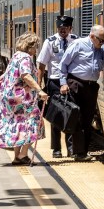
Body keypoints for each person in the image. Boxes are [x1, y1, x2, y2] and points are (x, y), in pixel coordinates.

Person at [58, 24, 104, 161]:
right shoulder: (78, 44)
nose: (103, 43)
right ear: (92, 36)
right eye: (101, 40)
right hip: (75, 84)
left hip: (91, 87)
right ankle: (76, 152)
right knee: (76, 117)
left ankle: (83, 151)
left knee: (87, 119)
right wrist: (63, 83)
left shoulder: (102, 49)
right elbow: (63, 65)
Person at [0, 32, 49, 166]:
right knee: (34, 121)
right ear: (30, 47)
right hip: (21, 98)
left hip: (9, 97)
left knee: (19, 123)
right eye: (35, 47)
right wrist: (39, 90)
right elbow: (25, 75)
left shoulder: (16, 56)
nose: (36, 50)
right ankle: (23, 155)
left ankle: (17, 157)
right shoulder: (25, 58)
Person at [37, 15, 78, 158]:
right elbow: (42, 65)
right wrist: (39, 85)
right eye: (60, 28)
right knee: (56, 115)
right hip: (54, 82)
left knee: (71, 114)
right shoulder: (49, 42)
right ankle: (56, 149)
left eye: (65, 28)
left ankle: (72, 148)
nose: (62, 30)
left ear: (70, 28)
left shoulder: (75, 40)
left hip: (71, 82)